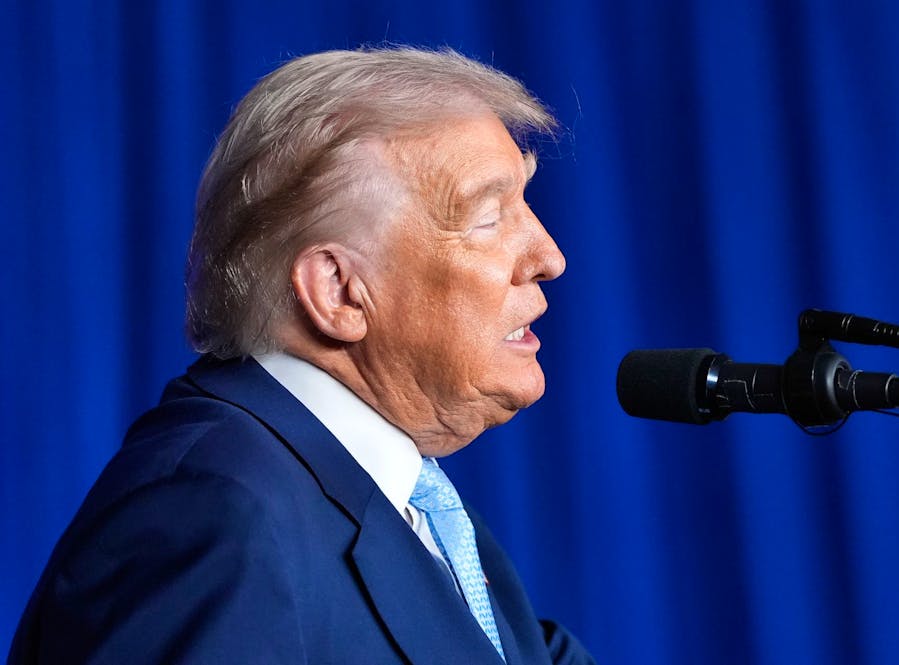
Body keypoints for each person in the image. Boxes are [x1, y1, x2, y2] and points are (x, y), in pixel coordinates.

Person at [8, 47, 595, 664]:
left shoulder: (414, 507)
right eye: (487, 217)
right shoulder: (214, 515)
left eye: (525, 204)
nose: (549, 256)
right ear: (339, 291)